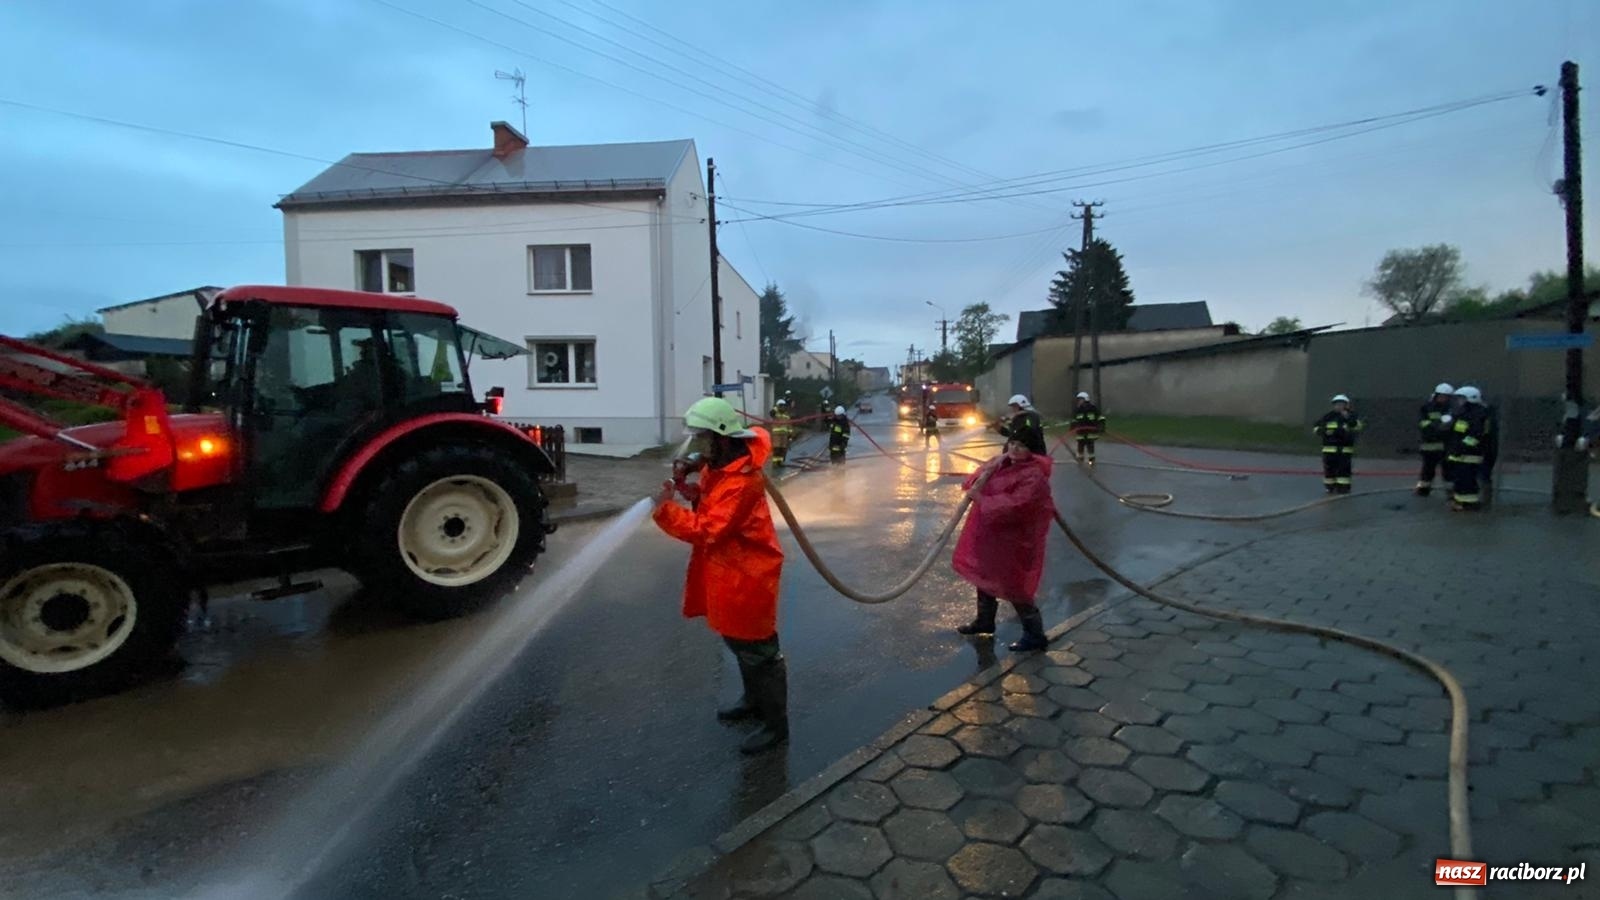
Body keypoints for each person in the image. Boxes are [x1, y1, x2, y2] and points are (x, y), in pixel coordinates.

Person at [653, 397, 788, 754]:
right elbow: (709, 502)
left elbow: (710, 528)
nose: (697, 445)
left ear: (724, 438)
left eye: (703, 438)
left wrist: (665, 511)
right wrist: (687, 487)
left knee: (759, 650)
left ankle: (776, 725)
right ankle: (752, 701)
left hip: (749, 573)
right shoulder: (721, 468)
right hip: (730, 570)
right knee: (738, 642)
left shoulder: (743, 482)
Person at [952, 438, 1056, 652]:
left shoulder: (1034, 475)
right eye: (1012, 444)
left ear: (1033, 450)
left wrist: (982, 499)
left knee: (1015, 584)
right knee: (984, 575)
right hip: (991, 536)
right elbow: (973, 482)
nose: (1014, 449)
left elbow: (1016, 505)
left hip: (1015, 541)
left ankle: (1034, 634)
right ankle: (985, 622)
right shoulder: (1000, 464)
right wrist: (980, 479)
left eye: (1022, 445)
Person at [1445, 385, 1492, 512]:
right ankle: (1460, 501)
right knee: (1460, 479)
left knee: (1467, 479)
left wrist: (1461, 448)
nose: (1459, 401)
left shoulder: (1478, 414)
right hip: (1460, 453)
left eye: (1462, 398)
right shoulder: (1463, 413)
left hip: (1471, 454)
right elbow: (1457, 432)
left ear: (1470, 398)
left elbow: (1476, 435)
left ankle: (1469, 504)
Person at [1312, 394, 1364, 494]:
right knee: (1329, 470)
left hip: (1345, 450)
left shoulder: (1352, 416)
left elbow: (1357, 427)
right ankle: (1330, 487)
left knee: (1344, 471)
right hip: (1329, 449)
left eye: (1341, 404)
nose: (1339, 406)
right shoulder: (1327, 417)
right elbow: (1316, 428)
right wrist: (1324, 431)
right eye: (1337, 404)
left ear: (1346, 405)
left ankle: (1343, 488)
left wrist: (1348, 419)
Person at [1415, 382, 1454, 497]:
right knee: (1428, 469)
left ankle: (1450, 491)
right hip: (1429, 445)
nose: (1444, 398)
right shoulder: (1427, 407)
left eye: (1446, 397)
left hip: (1446, 446)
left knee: (1448, 470)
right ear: (1437, 395)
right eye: (1442, 396)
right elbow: (1423, 424)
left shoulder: (1451, 408)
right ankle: (1423, 489)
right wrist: (1439, 425)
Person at [1070, 391, 1106, 464]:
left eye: (1080, 399)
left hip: (1091, 432)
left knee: (1090, 446)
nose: (1079, 401)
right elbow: (1074, 420)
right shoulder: (1078, 410)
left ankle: (1091, 460)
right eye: (1078, 400)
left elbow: (1101, 418)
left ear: (1085, 399)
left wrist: (1101, 427)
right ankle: (1080, 459)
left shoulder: (1093, 408)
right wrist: (1072, 428)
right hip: (1080, 433)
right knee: (1080, 446)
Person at [769, 399, 793, 467]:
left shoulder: (786, 415)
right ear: (778, 406)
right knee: (777, 448)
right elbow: (771, 413)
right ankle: (775, 462)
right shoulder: (775, 413)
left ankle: (780, 462)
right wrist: (776, 408)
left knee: (783, 449)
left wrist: (790, 435)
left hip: (784, 435)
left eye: (784, 406)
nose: (783, 407)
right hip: (777, 435)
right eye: (781, 406)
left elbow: (789, 425)